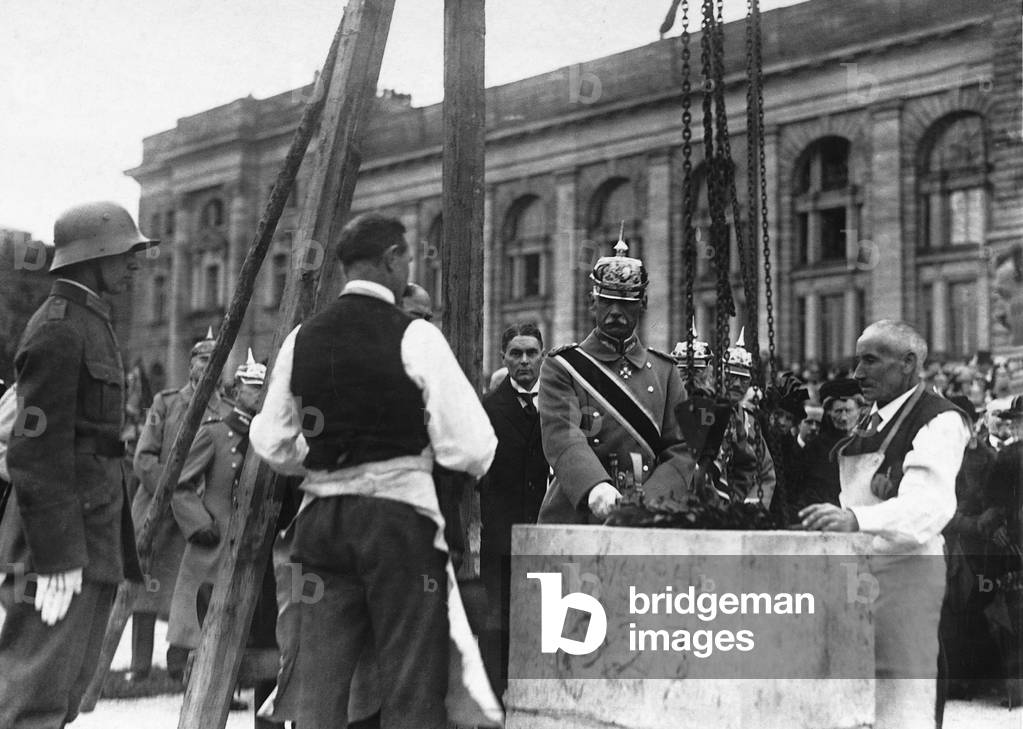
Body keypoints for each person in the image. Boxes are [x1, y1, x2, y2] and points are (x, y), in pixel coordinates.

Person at [249, 212, 501, 729]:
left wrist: (322, 458)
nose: (409, 269)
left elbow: (271, 439)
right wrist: (416, 456)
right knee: (412, 676)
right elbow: (473, 446)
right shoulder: (416, 336)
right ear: (391, 260)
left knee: (320, 679)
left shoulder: (301, 338)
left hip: (320, 525)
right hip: (397, 523)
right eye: (406, 259)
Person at [0, 201, 154, 727]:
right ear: (93, 255)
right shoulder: (59, 328)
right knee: (33, 693)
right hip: (62, 540)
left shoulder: (90, 321)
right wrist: (57, 554)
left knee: (64, 693)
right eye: (125, 253)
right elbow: (35, 451)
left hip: (91, 534)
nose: (133, 264)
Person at [799, 320, 970, 729]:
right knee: (858, 692)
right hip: (860, 568)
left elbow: (928, 506)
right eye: (858, 360)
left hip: (908, 573)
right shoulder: (871, 419)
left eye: (871, 361)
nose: (858, 373)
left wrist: (855, 519)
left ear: (908, 363)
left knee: (904, 696)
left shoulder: (940, 419)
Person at [537, 236, 696, 524]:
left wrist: (647, 504)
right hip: (580, 511)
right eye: (607, 302)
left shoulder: (665, 372)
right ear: (592, 302)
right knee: (558, 558)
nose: (615, 312)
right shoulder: (563, 366)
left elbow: (682, 449)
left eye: (625, 304)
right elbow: (562, 436)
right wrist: (594, 487)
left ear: (642, 304)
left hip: (649, 517)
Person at [130, 326, 230, 681]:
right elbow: (144, 458)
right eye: (203, 359)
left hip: (200, 516)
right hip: (157, 509)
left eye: (215, 360)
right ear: (191, 365)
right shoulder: (165, 403)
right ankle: (139, 666)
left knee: (189, 590)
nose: (208, 366)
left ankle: (180, 662)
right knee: (145, 590)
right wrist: (172, 491)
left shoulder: (227, 410)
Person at [478, 322, 549, 701]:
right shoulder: (488, 409)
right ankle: (495, 709)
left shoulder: (557, 406)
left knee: (543, 623)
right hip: (501, 541)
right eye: (516, 353)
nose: (524, 361)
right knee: (498, 628)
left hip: (545, 535)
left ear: (542, 356)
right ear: (503, 357)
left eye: (531, 353)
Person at [797, 378, 862, 509]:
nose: (844, 418)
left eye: (848, 410)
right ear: (828, 413)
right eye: (838, 411)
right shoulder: (814, 449)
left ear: (859, 411)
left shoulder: (869, 444)